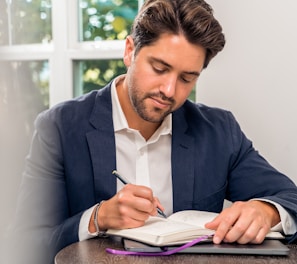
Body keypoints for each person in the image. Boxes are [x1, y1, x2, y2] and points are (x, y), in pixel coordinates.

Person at [7, 0, 297, 263]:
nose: (169, 91)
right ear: (130, 51)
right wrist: (96, 218)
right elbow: (24, 243)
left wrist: (266, 211)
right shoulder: (60, 127)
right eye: (159, 68)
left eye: (187, 78)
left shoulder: (219, 132)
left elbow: (289, 198)